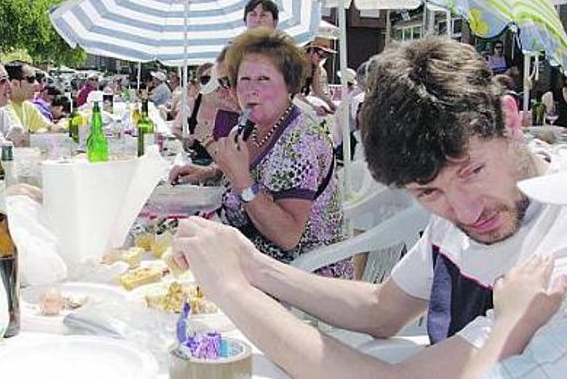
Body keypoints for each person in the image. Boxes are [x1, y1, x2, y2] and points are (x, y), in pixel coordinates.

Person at [171, 37, 567, 378]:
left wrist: (231, 287)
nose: (465, 212)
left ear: (511, 120)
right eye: (429, 193)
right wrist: (252, 265)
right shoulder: (463, 215)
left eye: (472, 170)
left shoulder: (555, 245)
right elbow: (382, 309)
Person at [172, 29, 351, 277]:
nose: (250, 90)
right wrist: (211, 172)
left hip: (299, 277)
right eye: (244, 80)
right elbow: (254, 169)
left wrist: (243, 182)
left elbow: (288, 237)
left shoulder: (300, 142)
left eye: (263, 79)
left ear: (289, 85)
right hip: (249, 255)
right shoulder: (248, 127)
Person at [5, 62, 65, 133]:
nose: (37, 84)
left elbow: (50, 127)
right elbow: (19, 137)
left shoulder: (27, 106)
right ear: (14, 83)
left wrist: (64, 123)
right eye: (31, 79)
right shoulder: (2, 106)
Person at [298, 44, 338, 115]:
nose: (322, 59)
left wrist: (332, 105)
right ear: (311, 52)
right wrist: (312, 107)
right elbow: (294, 93)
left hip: (299, 100)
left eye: (326, 57)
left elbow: (318, 90)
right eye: (321, 55)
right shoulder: (297, 66)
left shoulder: (314, 68)